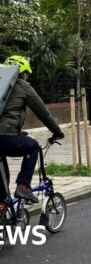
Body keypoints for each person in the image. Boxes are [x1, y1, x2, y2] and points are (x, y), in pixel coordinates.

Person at [0, 55, 64, 204]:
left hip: (6, 136)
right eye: (26, 74)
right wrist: (57, 132)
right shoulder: (23, 86)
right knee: (32, 147)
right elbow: (43, 113)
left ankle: (3, 208)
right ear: (22, 73)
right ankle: (23, 185)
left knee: (2, 179)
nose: (27, 77)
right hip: (7, 138)